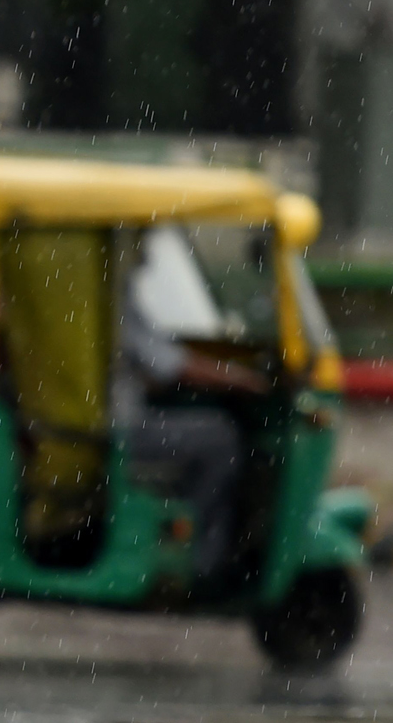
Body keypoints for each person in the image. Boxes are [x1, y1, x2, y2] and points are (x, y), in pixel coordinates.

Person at [116, 240, 269, 588]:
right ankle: (201, 562)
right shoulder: (112, 299)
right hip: (120, 428)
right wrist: (241, 380)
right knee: (220, 438)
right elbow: (171, 366)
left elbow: (156, 362)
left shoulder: (106, 292)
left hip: (114, 420)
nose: (143, 251)